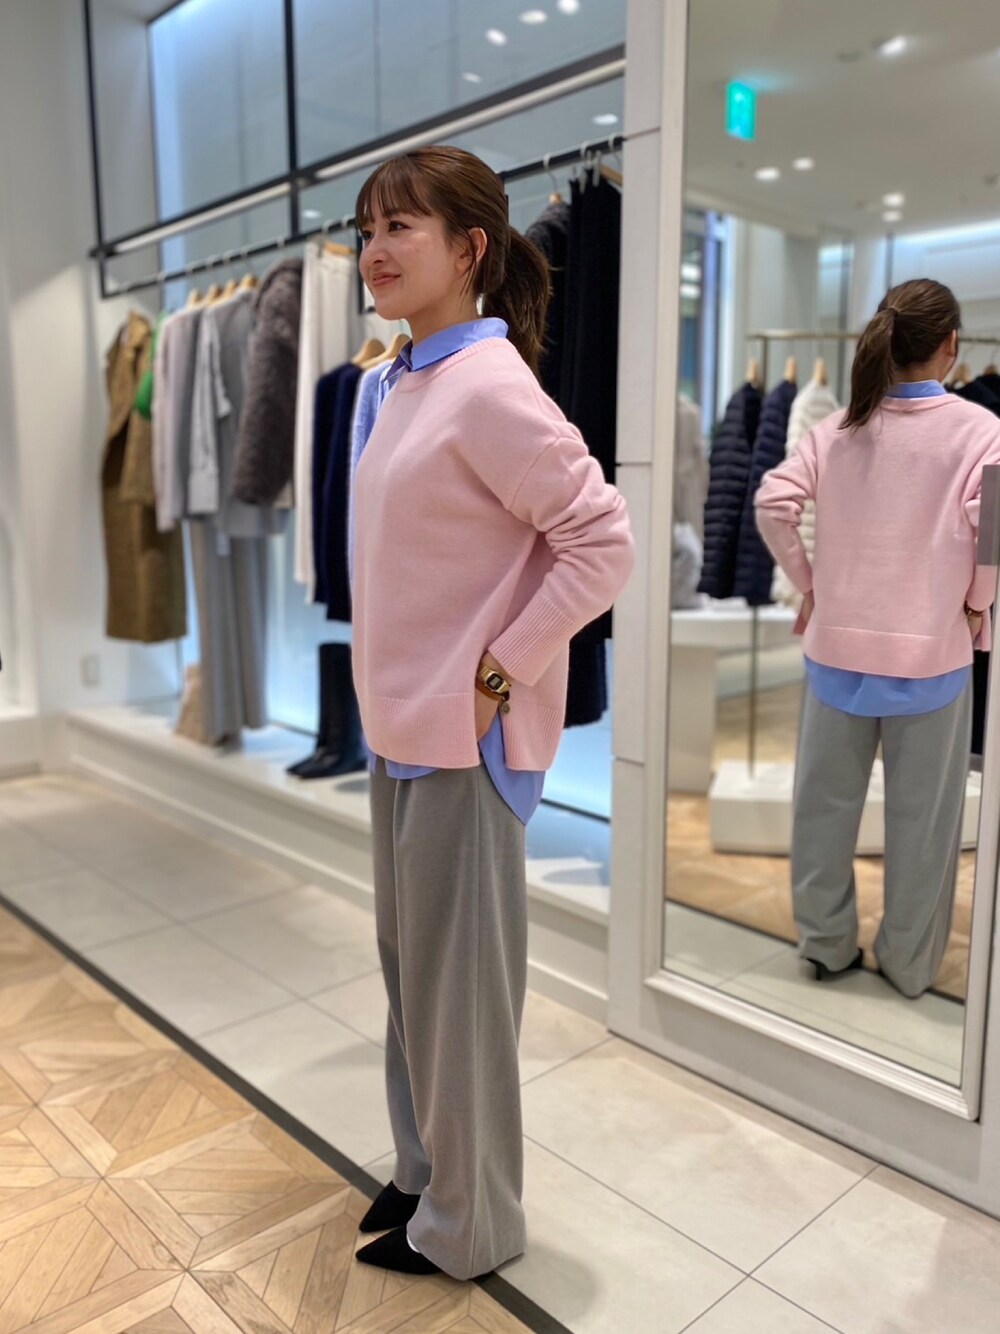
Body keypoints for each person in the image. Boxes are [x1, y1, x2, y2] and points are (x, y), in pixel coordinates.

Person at [348, 145, 634, 1280]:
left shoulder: (489, 386)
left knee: (457, 994)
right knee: (410, 976)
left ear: (469, 248)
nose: (374, 249)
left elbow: (601, 542)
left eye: (400, 226)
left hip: (463, 743)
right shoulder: (397, 380)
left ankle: (473, 1225)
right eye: (367, 228)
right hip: (399, 727)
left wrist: (500, 674)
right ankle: (428, 1169)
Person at [756, 279, 1000, 999]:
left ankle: (826, 945)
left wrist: (811, 585)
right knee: (924, 827)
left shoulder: (837, 428)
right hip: (932, 658)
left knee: (823, 813)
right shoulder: (981, 431)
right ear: (951, 346)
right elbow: (992, 537)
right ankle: (908, 964)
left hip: (835, 653)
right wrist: (976, 604)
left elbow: (773, 503)